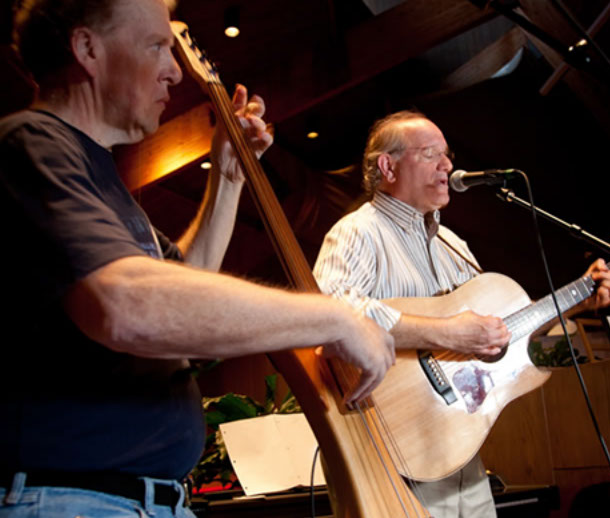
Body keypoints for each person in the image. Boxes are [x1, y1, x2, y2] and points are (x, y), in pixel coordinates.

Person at [0, 1, 396, 517]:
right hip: (70, 499)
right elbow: (128, 306)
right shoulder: (30, 145)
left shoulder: (99, 180)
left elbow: (180, 292)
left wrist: (228, 176)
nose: (174, 70)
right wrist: (335, 317)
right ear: (87, 49)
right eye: (156, 46)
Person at [313, 110, 610, 517]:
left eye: (447, 155)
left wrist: (580, 300)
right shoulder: (357, 231)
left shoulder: (452, 243)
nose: (447, 165)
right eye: (430, 154)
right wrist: (446, 333)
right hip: (385, 451)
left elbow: (499, 332)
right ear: (388, 166)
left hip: (457, 448)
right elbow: (330, 311)